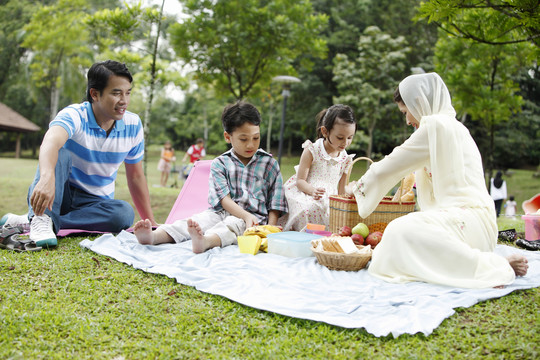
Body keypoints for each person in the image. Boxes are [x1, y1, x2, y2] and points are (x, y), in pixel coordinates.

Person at [345, 72, 528, 288]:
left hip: (466, 222)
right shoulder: (457, 127)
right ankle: (474, 261)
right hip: (477, 229)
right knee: (398, 239)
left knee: (399, 230)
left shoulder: (435, 127)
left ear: (419, 103)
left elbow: (392, 163)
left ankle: (494, 266)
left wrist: (357, 189)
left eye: (406, 112)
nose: (407, 120)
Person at [0, 60, 157, 248]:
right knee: (61, 153)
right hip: (59, 194)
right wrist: (47, 177)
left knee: (124, 214)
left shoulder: (133, 124)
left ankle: (35, 221)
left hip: (94, 204)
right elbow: (50, 141)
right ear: (95, 94)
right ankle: (41, 218)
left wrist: (151, 220)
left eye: (127, 92)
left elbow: (136, 176)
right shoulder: (75, 115)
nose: (124, 100)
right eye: (116, 93)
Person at [133, 101, 288, 253]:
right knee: (195, 221)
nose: (251, 145)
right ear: (228, 137)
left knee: (231, 225)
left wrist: (269, 229)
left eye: (256, 138)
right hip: (219, 212)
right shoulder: (220, 163)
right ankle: (154, 236)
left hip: (253, 219)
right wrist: (244, 215)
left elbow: (275, 202)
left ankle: (205, 241)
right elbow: (223, 199)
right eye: (243, 139)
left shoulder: (269, 164)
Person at [278, 104, 356, 231]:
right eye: (340, 137)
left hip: (329, 197)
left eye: (350, 138)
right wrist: (312, 191)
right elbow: (300, 181)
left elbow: (341, 191)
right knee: (308, 208)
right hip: (306, 191)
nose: (345, 142)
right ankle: (302, 237)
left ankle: (321, 241)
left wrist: (352, 191)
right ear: (325, 131)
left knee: (333, 213)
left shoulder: (346, 159)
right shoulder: (312, 150)